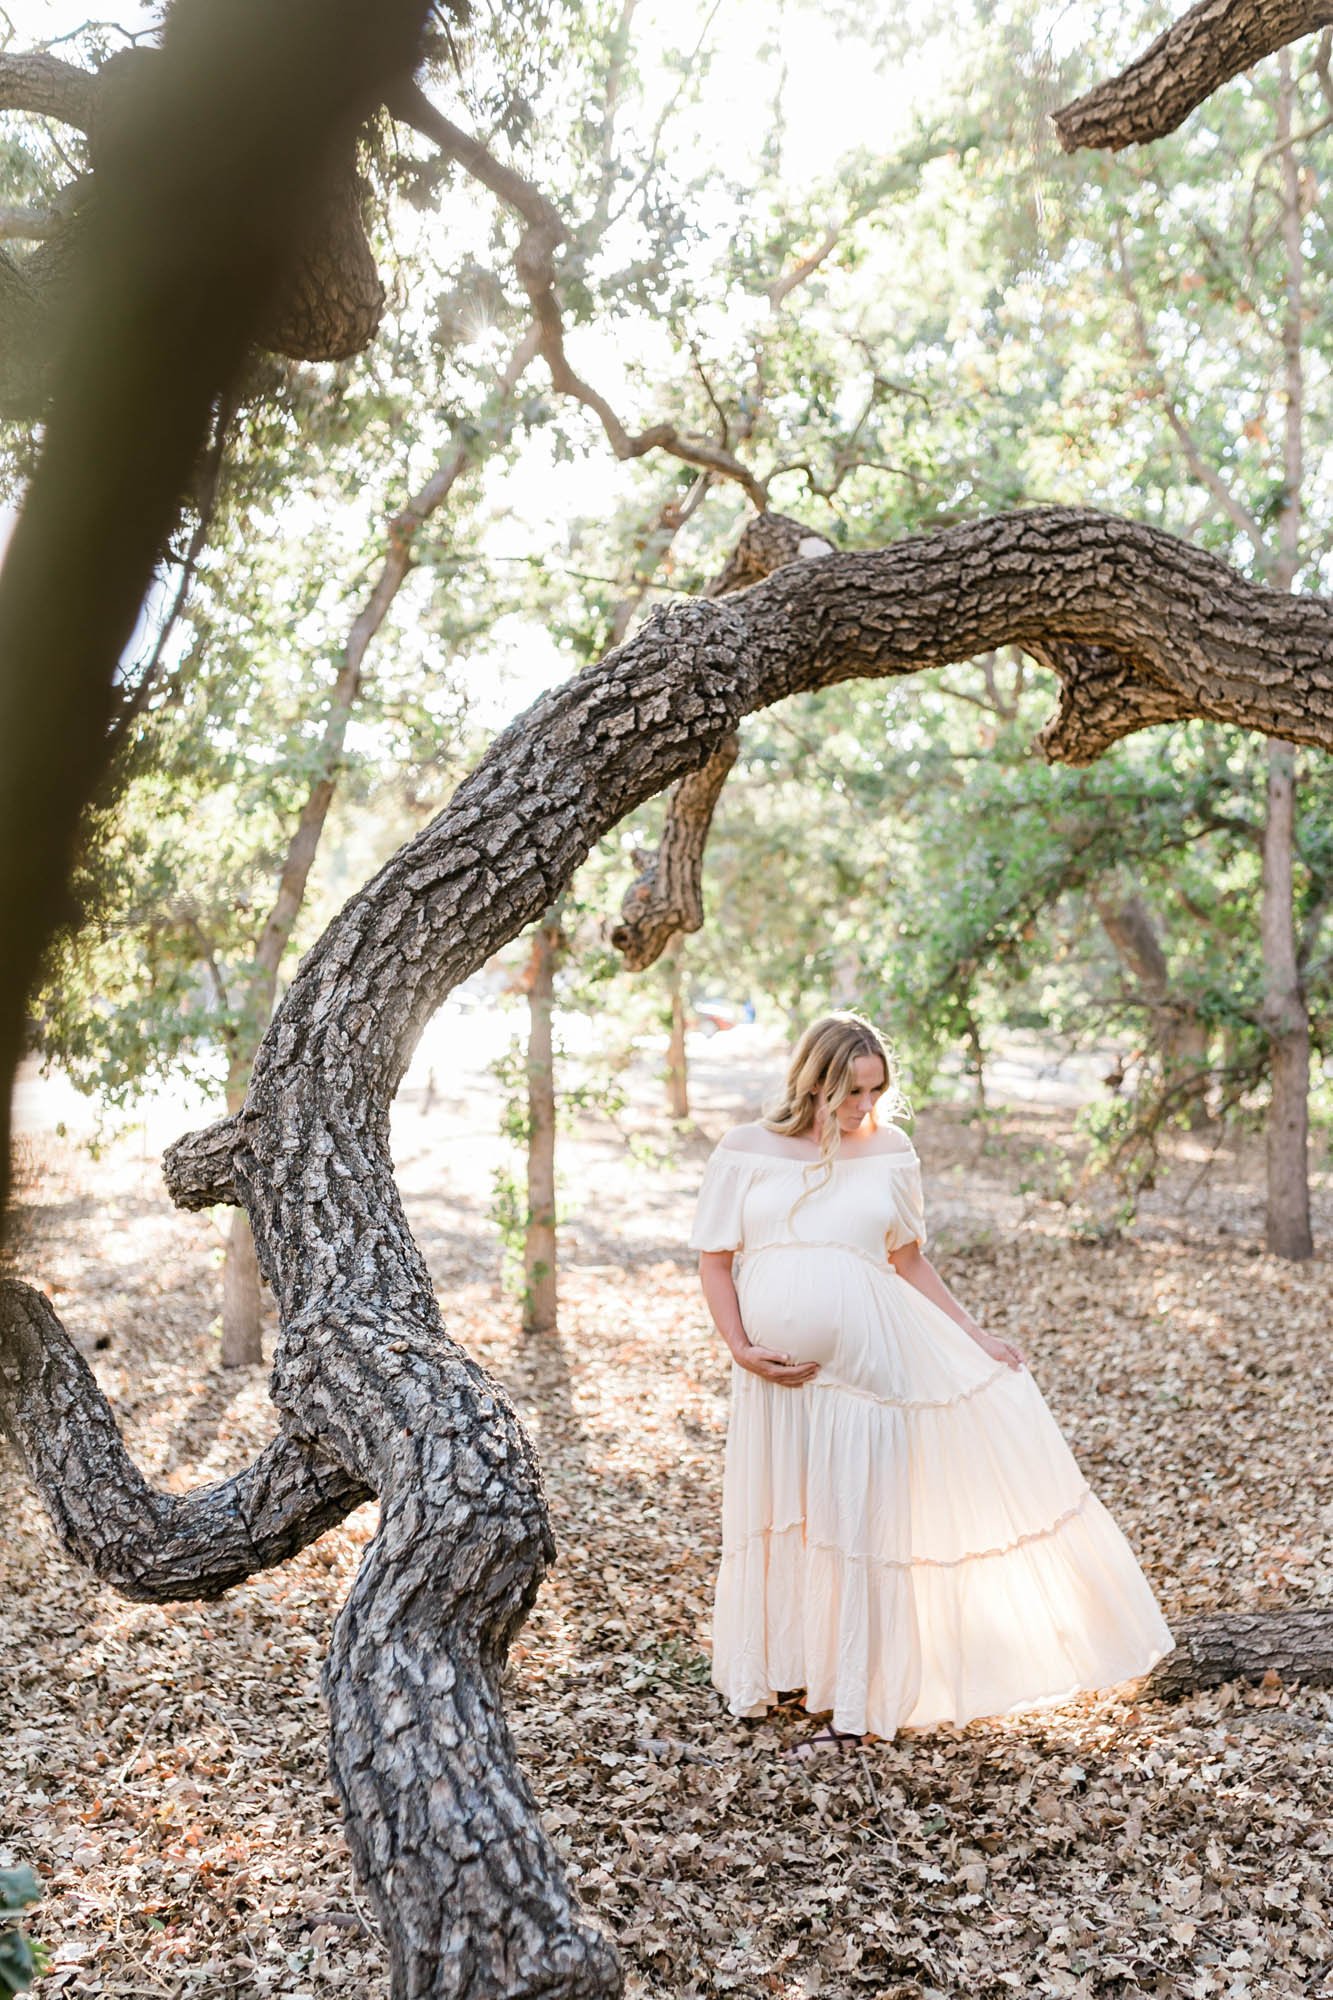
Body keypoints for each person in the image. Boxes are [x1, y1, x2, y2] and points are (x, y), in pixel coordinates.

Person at [690, 1010, 1173, 1754]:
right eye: (849, 1091)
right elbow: (715, 1261)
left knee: (859, 1532)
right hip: (771, 1385)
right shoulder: (744, 1149)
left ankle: (856, 1708)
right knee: (785, 1521)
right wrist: (739, 1348)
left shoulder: (889, 1150)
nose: (862, 1107)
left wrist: (973, 1335)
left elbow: (907, 1261)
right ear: (812, 1080)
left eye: (874, 1091)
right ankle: (785, 1671)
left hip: (869, 1379)